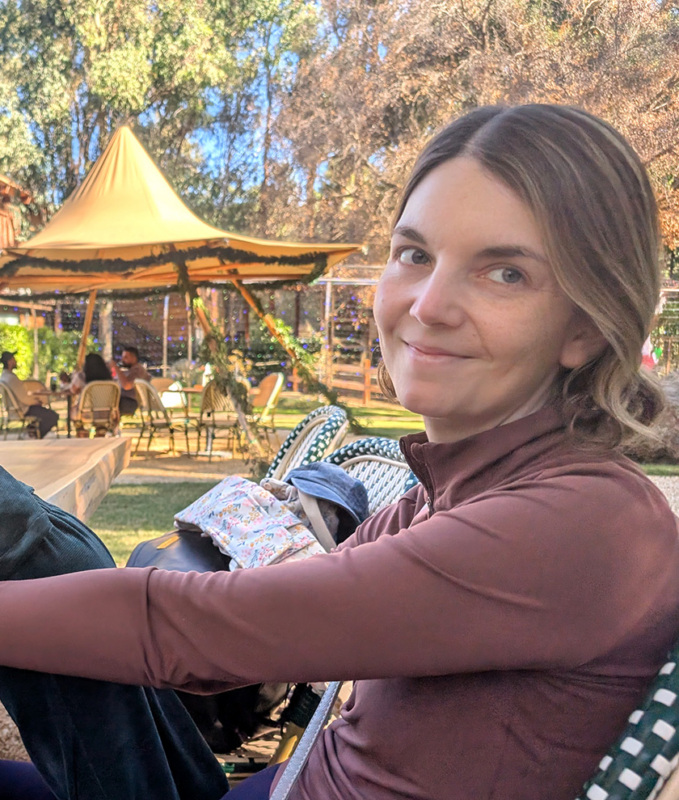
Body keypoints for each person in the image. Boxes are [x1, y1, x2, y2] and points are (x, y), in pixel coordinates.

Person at [0, 104, 678, 800]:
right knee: (39, 560)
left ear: (587, 327)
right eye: (414, 254)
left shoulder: (583, 523)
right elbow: (214, 628)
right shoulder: (445, 498)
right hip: (275, 785)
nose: (428, 304)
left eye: (504, 272)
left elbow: (190, 635)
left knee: (30, 551)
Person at [0, 351, 58, 439]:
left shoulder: (4, 377)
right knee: (53, 416)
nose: (16, 361)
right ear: (9, 362)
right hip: (23, 410)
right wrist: (37, 401)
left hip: (15, 409)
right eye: (14, 359)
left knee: (44, 414)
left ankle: (31, 431)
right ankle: (33, 435)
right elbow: (24, 398)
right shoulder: (11, 378)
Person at [108, 345, 150, 416]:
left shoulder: (138, 370)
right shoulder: (130, 370)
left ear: (134, 358)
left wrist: (116, 368)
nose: (122, 360)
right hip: (123, 400)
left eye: (126, 357)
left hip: (130, 402)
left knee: (107, 403)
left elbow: (127, 385)